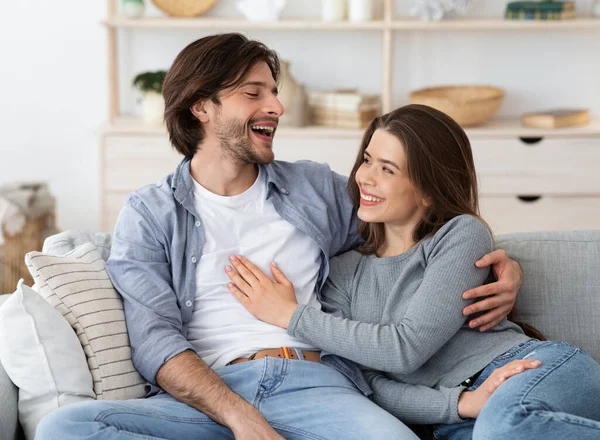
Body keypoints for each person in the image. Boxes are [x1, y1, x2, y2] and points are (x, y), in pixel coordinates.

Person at [36, 34, 523, 440]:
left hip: (321, 386)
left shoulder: (317, 189)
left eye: (274, 92)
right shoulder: (150, 213)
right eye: (254, 93)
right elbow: (154, 342)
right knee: (66, 427)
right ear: (202, 107)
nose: (277, 106)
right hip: (211, 398)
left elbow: (414, 223)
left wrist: (505, 266)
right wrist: (241, 418)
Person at [224, 104, 600, 440]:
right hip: (462, 419)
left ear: (428, 191)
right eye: (367, 160)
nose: (365, 177)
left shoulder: (460, 235)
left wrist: (291, 315)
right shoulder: (343, 270)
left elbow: (405, 349)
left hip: (526, 371)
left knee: (503, 426)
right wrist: (461, 404)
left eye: (387, 169)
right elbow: (370, 385)